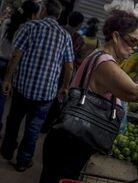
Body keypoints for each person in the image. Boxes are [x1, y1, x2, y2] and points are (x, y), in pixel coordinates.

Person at [39, 10, 138, 183]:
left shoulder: (104, 58)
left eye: (137, 43)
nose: (133, 47)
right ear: (116, 36)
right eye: (131, 41)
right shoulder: (105, 62)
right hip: (69, 142)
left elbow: (129, 89)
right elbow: (134, 93)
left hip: (74, 138)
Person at [0, 0, 74, 172]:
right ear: (58, 15)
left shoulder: (29, 27)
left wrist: (7, 80)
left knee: (14, 120)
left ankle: (7, 151)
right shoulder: (65, 36)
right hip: (45, 94)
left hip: (22, 87)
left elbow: (16, 55)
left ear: (44, 11)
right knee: (33, 128)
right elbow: (69, 66)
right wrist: (64, 87)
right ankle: (23, 162)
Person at [0, 0, 41, 134]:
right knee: (2, 98)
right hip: (11, 65)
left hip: (0, 59)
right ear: (33, 14)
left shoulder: (7, 22)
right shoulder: (28, 29)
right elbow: (18, 54)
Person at [40, 11, 84, 134]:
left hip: (53, 68)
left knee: (47, 95)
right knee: (58, 99)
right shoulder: (79, 39)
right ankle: (46, 126)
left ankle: (41, 122)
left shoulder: (58, 30)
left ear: (68, 18)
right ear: (79, 24)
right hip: (67, 72)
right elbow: (78, 58)